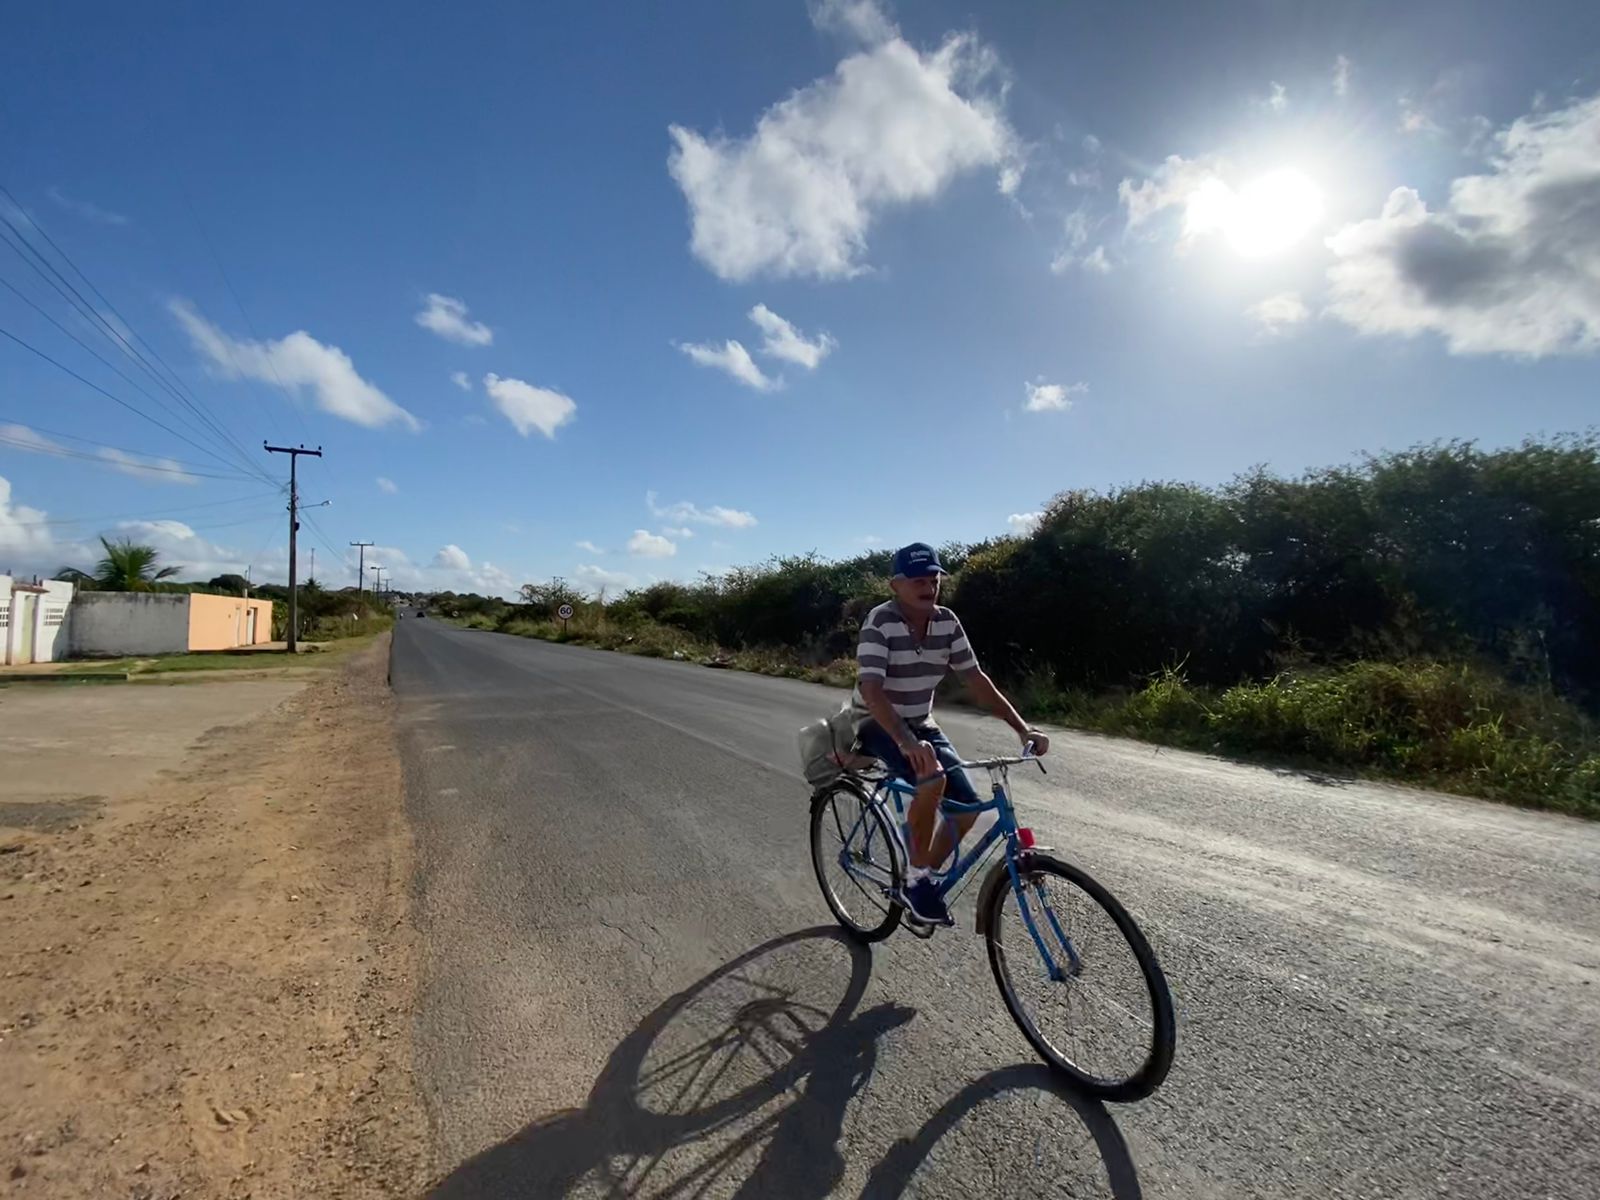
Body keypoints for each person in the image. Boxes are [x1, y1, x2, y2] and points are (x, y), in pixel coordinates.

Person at [853, 542, 1049, 926]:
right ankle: (916, 879)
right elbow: (871, 691)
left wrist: (1022, 727)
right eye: (917, 580)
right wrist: (905, 742)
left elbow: (976, 680)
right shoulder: (880, 622)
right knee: (933, 780)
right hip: (876, 721)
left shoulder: (947, 621)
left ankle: (919, 877)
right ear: (895, 585)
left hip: (921, 722)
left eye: (934, 578)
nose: (928, 587)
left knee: (968, 809)